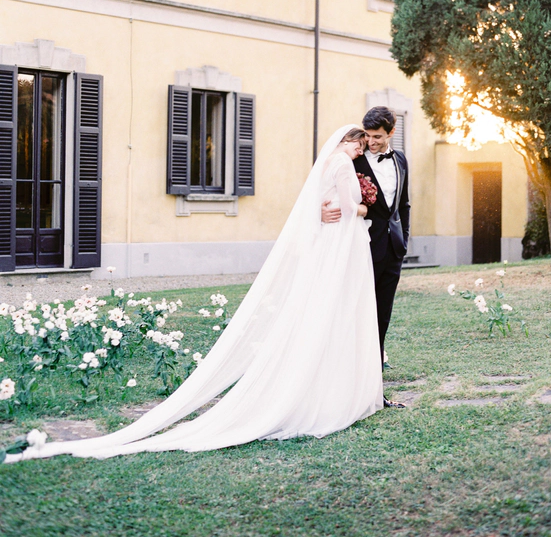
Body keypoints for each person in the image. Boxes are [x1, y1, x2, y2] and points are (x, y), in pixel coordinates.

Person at [5, 126, 383, 463]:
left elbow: (318, 206)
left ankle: (325, 389)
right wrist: (366, 208)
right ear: (348, 140)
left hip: (331, 246)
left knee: (323, 312)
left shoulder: (329, 162)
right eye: (359, 145)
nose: (360, 151)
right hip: (340, 245)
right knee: (336, 311)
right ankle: (331, 394)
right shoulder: (341, 163)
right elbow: (349, 207)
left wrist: (333, 210)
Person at [322, 107, 410, 407]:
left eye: (377, 137)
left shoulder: (400, 160)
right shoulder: (352, 158)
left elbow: (404, 205)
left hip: (393, 250)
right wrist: (319, 211)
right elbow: (323, 185)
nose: (370, 142)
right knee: (356, 316)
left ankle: (374, 391)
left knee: (381, 318)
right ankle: (346, 386)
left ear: (391, 133)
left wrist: (404, 240)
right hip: (360, 249)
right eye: (368, 136)